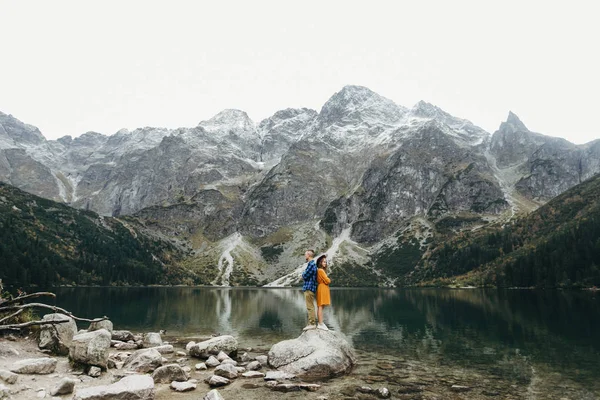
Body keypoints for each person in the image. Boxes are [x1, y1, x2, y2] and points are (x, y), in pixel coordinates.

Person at [301, 249, 317, 330]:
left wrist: (303, 274)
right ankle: (311, 323)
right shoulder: (312, 264)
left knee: (310, 306)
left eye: (305, 254)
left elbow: (304, 275)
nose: (305, 255)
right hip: (309, 288)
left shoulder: (311, 264)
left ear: (309, 255)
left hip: (309, 288)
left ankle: (312, 323)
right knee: (310, 306)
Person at [316, 254, 331, 330]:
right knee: (320, 306)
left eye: (325, 262)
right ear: (320, 263)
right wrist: (328, 279)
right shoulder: (321, 270)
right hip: (322, 288)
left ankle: (320, 322)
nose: (325, 263)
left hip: (322, 287)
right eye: (324, 262)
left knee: (321, 306)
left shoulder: (320, 270)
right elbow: (328, 281)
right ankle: (320, 323)